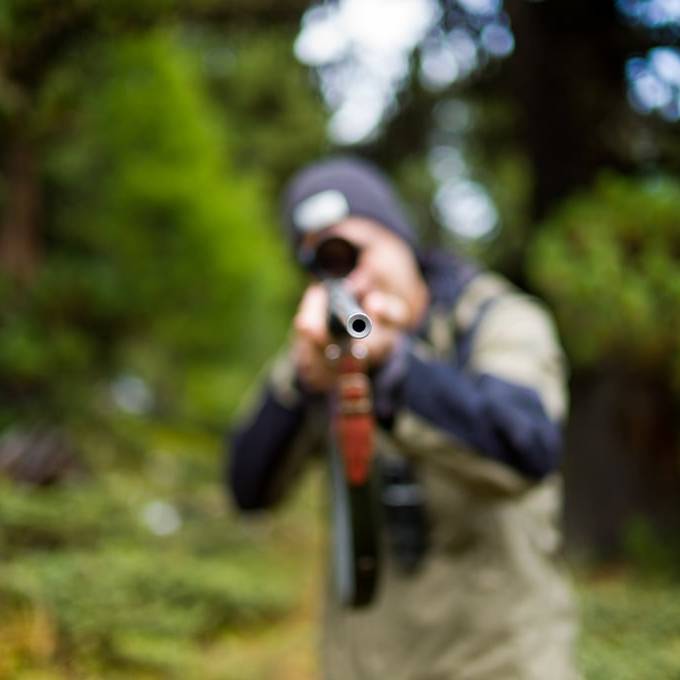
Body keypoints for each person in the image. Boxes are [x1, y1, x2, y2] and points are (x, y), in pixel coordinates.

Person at [227, 157, 580, 680]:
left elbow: (526, 447)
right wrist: (304, 385)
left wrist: (395, 370)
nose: (352, 278)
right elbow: (247, 487)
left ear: (399, 238)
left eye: (354, 251)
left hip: (502, 660)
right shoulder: (321, 353)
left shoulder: (495, 319)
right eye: (325, 263)